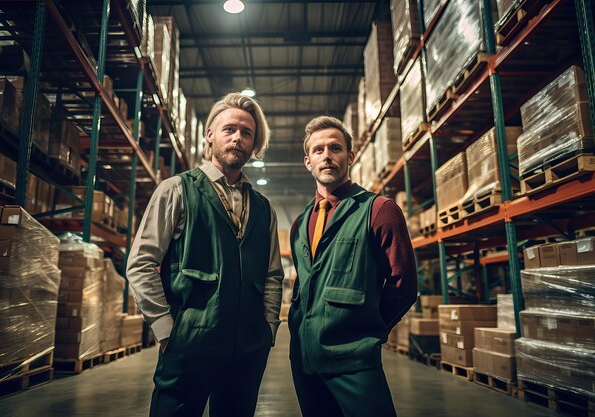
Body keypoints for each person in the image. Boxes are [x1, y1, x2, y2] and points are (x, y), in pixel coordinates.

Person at [127, 92, 283, 417]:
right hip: (188, 344)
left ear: (254, 145)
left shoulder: (263, 208)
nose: (237, 138)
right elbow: (141, 263)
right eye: (229, 129)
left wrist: (268, 327)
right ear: (210, 134)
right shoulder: (176, 190)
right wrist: (165, 329)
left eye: (246, 133)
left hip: (247, 349)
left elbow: (271, 275)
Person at [288, 116, 417, 417]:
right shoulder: (299, 224)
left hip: (354, 360)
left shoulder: (379, 211)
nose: (327, 156)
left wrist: (365, 330)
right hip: (305, 360)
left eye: (335, 148)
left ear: (350, 155)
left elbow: (404, 285)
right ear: (308, 162)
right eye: (318, 150)